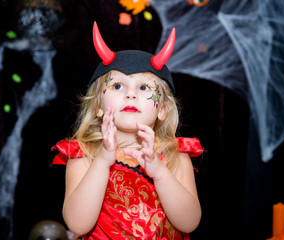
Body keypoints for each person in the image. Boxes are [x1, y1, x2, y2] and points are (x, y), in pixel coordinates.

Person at [52, 22, 204, 239]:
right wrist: (103, 161)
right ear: (98, 106)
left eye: (143, 88)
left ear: (162, 109)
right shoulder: (83, 155)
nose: (131, 94)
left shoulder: (175, 155)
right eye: (117, 86)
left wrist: (159, 172)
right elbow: (78, 225)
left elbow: (189, 223)